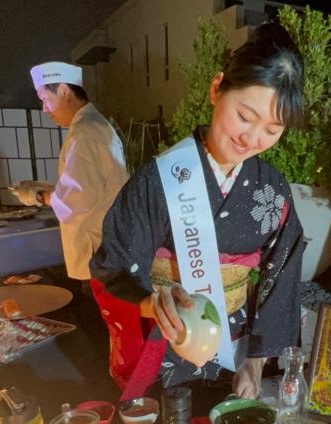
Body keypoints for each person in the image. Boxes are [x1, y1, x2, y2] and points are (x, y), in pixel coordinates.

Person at [89, 23, 306, 400]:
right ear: (216, 89)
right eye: (244, 116)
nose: (252, 139)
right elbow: (114, 269)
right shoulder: (159, 180)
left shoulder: (272, 188)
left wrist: (254, 364)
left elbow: (282, 274)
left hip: (235, 353)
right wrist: (150, 304)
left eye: (272, 129)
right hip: (165, 346)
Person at [14, 62, 129, 283]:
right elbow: (85, 185)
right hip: (106, 246)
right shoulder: (93, 125)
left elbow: (77, 198)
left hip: (96, 251)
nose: (45, 109)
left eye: (44, 99)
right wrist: (51, 190)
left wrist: (37, 196)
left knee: (96, 310)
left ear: (65, 91)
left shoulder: (85, 132)